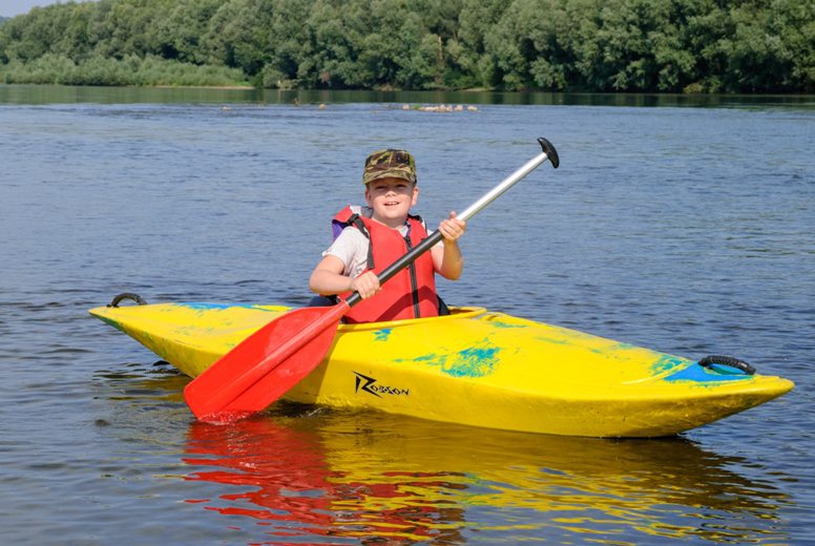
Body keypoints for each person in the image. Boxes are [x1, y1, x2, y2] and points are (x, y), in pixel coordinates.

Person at [308, 148, 466, 323]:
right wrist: (352, 284)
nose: (390, 193)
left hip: (421, 332)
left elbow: (453, 273)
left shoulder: (424, 233)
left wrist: (451, 243)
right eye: (381, 187)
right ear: (369, 196)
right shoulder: (356, 236)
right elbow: (318, 279)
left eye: (400, 186)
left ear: (414, 195)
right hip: (370, 336)